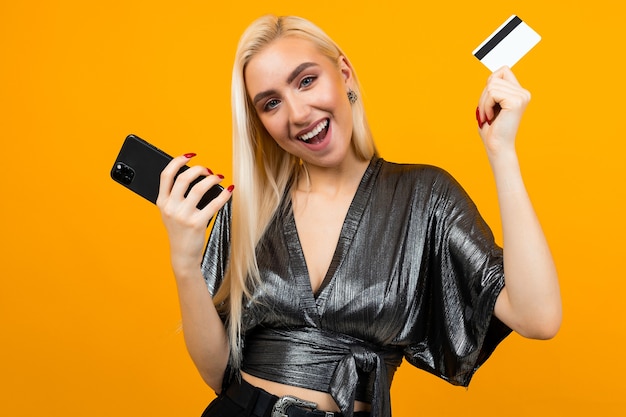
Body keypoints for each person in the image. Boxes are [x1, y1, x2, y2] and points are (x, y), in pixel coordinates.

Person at [156, 15, 561, 417]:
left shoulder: (424, 197)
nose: (297, 113)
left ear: (344, 73)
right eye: (271, 103)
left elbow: (538, 318)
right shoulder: (247, 210)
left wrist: (502, 153)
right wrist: (185, 263)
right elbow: (217, 375)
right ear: (260, 122)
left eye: (306, 80)